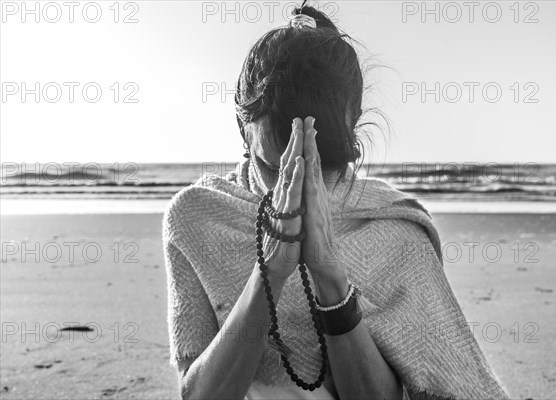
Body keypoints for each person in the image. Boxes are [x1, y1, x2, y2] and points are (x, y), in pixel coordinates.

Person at [162, 3, 510, 399]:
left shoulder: (393, 233)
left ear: (353, 126)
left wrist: (331, 279)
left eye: (321, 166)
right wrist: (270, 272)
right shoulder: (199, 218)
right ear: (243, 129)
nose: (296, 186)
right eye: (276, 167)